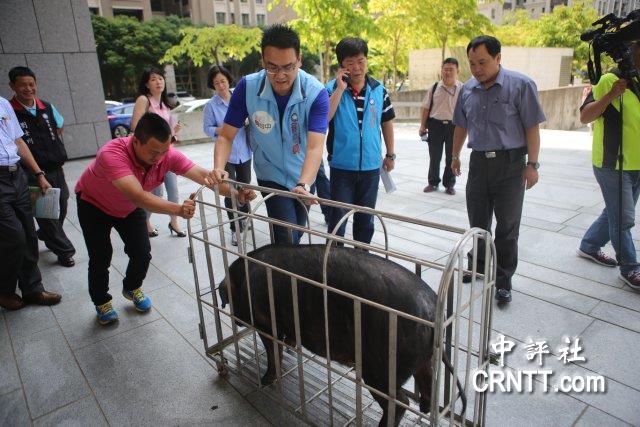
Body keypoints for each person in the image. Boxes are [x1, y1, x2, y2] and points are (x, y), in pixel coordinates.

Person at [75, 113, 254, 325]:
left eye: (163, 151)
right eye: (153, 152)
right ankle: (101, 301)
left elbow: (203, 176)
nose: (160, 158)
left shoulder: (166, 153)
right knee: (100, 256)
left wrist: (236, 192)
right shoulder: (112, 154)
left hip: (129, 208)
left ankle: (132, 287)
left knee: (142, 253)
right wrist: (178, 210)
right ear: (136, 140)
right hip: (94, 206)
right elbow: (139, 196)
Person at [211, 24, 329, 244]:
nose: (280, 76)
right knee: (286, 238)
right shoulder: (248, 88)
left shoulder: (316, 93)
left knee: (296, 234)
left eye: (288, 67)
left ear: (299, 60)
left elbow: (315, 146)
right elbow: (226, 135)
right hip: (270, 174)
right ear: (263, 61)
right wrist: (219, 168)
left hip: (302, 173)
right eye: (272, 67)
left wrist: (304, 184)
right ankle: (283, 276)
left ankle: (283, 272)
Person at [451, 35, 546, 304]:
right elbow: (461, 125)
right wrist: (454, 155)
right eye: (472, 63)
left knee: (507, 226)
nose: (477, 69)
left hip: (511, 165)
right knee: (478, 223)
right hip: (479, 163)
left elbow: (532, 128)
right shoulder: (467, 89)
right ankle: (478, 265)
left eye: (482, 62)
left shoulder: (521, 85)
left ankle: (504, 279)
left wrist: (532, 164)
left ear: (498, 58)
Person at [576, 41, 640, 291]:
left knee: (615, 212)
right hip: (612, 164)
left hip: (636, 165)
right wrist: (611, 94)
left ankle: (589, 245)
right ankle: (630, 268)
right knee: (622, 218)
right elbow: (585, 116)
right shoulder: (609, 80)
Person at [325, 37, 395, 245]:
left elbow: (387, 122)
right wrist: (339, 89)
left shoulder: (379, 90)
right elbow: (325, 118)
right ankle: (334, 260)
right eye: (350, 63)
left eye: (361, 61)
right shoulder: (330, 89)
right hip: (341, 167)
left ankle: (361, 259)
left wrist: (390, 154)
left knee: (366, 221)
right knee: (338, 219)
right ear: (341, 66)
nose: (357, 67)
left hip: (371, 167)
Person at [9, 66, 76, 267]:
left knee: (61, 206)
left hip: (55, 167)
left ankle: (47, 234)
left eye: (32, 84)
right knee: (46, 213)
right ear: (13, 86)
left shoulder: (46, 106)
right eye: (23, 85)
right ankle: (65, 251)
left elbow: (59, 126)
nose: (28, 89)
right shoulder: (10, 112)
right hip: (31, 173)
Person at [0, 95, 62, 310]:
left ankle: (33, 289)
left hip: (16, 175)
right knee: (13, 237)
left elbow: (18, 141)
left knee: (28, 233)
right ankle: (5, 290)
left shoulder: (3, 104)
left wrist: (38, 173)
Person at [131, 67, 185, 237]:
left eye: (160, 78)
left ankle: (174, 222)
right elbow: (135, 127)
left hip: (167, 153)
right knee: (155, 192)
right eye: (153, 79)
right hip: (151, 156)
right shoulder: (143, 100)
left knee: (173, 190)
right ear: (147, 84)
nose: (158, 81)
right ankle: (145, 222)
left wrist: (173, 131)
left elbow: (166, 132)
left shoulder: (165, 105)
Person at [203, 65, 252, 246]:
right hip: (227, 155)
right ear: (213, 85)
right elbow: (207, 128)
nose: (221, 86)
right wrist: (221, 130)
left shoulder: (239, 98)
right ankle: (234, 228)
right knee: (229, 191)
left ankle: (245, 218)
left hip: (245, 151)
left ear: (228, 80)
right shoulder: (211, 106)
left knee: (245, 188)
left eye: (223, 81)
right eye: (216, 83)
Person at [419, 58, 463, 195]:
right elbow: (426, 107)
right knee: (435, 156)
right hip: (435, 125)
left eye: (451, 69)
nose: (448, 72)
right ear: (441, 70)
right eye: (445, 69)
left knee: (452, 156)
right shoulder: (434, 88)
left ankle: (449, 184)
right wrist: (422, 125)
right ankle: (433, 183)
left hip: (454, 127)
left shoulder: (463, 89)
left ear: (458, 71)